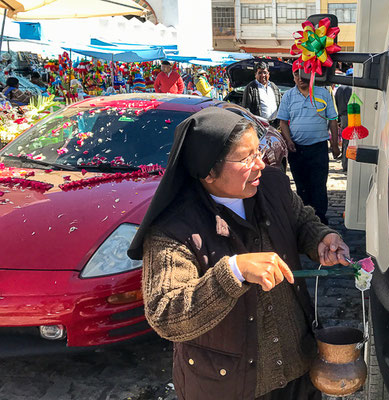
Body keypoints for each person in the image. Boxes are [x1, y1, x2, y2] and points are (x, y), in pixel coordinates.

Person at [127, 107, 351, 400]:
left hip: (298, 371)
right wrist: (232, 272)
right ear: (208, 170)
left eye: (259, 151)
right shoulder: (173, 228)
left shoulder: (272, 187)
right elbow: (166, 314)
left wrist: (322, 238)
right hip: (227, 386)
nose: (260, 163)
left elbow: (301, 220)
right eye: (246, 158)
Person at [277, 71, 340, 225]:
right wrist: (289, 140)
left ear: (311, 76)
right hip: (296, 150)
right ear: (293, 77)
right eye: (296, 75)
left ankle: (320, 221)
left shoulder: (323, 93)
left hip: (318, 148)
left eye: (303, 75)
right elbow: (283, 122)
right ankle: (305, 221)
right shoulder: (288, 96)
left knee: (318, 185)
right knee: (301, 186)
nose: (300, 79)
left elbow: (332, 119)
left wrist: (335, 144)